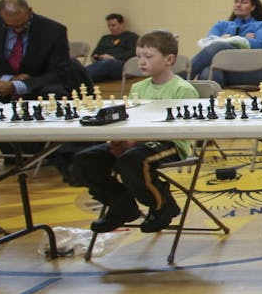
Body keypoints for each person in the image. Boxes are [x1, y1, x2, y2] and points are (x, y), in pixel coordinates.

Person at [69, 30, 199, 233]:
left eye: (148, 56)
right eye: (138, 56)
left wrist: (134, 142)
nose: (141, 62)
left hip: (172, 143)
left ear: (169, 59)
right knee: (85, 160)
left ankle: (162, 205)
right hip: (137, 142)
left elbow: (180, 129)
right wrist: (121, 140)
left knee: (132, 160)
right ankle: (121, 204)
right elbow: (132, 121)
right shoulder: (138, 87)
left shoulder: (183, 90)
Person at [0, 0, 84, 101]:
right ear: (1, 15)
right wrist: (9, 80)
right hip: (3, 88)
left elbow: (60, 72)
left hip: (39, 86)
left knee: (54, 92)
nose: (18, 30)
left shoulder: (53, 31)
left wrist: (18, 86)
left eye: (22, 25)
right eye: (11, 26)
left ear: (30, 11)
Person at [188, 0, 262, 87]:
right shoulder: (221, 25)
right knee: (207, 72)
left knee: (219, 45)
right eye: (236, 1)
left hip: (251, 72)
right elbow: (209, 44)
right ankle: (207, 101)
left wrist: (227, 40)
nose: (238, 5)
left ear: (253, 7)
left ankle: (183, 77)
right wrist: (243, 40)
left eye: (243, 2)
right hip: (224, 71)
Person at [84, 13, 139, 83]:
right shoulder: (105, 38)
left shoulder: (131, 37)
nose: (111, 28)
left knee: (107, 63)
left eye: (113, 25)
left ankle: (80, 76)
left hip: (122, 65)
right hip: (102, 63)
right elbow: (95, 53)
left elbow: (133, 53)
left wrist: (113, 58)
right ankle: (79, 78)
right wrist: (97, 57)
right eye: (109, 26)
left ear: (122, 24)